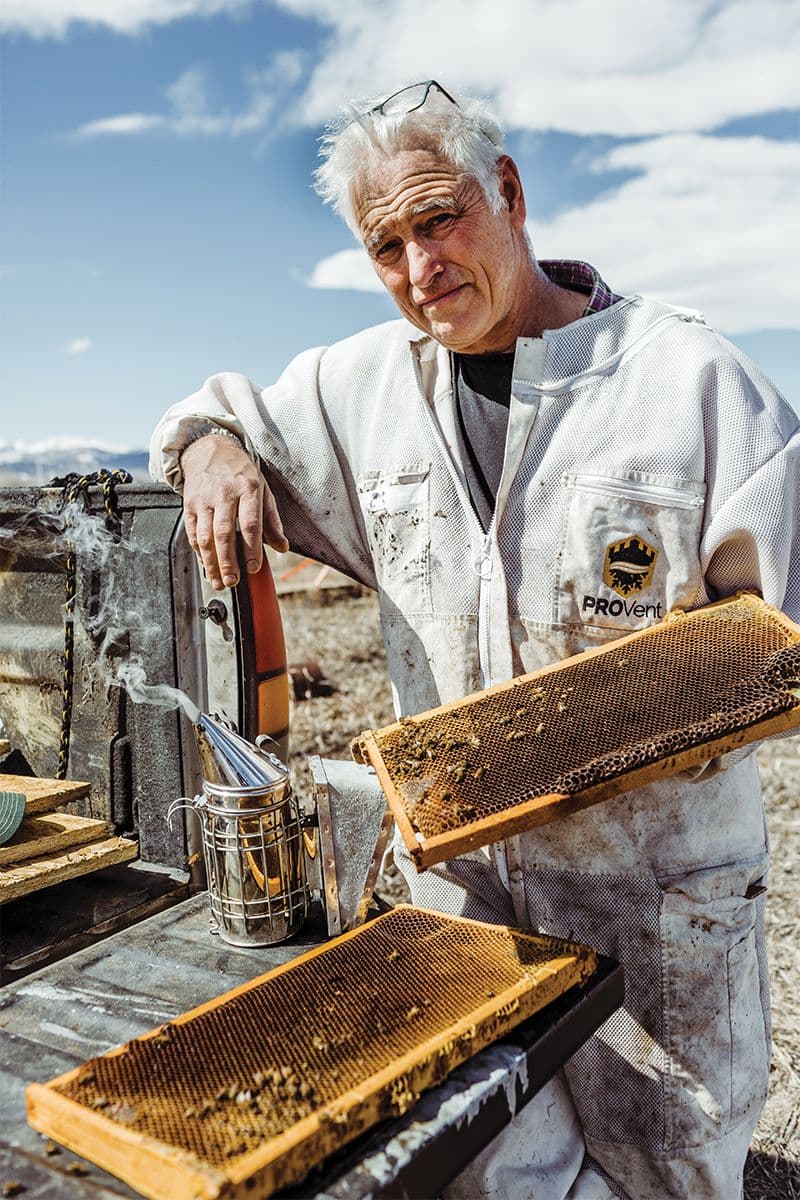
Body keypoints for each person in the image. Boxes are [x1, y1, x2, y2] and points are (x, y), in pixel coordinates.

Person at [150, 80, 800, 1199]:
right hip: (466, 901)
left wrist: (652, 712)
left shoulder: (689, 382)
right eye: (385, 246)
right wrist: (210, 452)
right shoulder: (359, 387)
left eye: (439, 219)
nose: (420, 267)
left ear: (507, 192)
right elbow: (208, 414)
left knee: (672, 1166)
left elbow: (779, 635)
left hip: (654, 893)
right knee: (491, 1165)